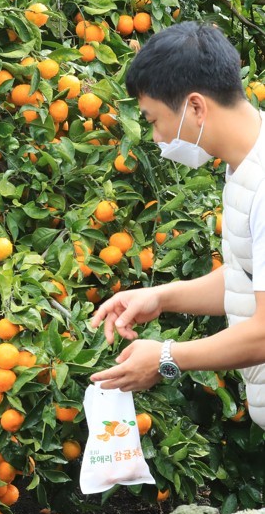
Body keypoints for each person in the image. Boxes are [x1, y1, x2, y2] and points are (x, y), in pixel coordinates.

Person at [90, 21, 265, 431]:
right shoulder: (245, 167)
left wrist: (168, 356)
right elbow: (248, 278)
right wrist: (161, 298)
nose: (155, 136)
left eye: (153, 120)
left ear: (196, 106)